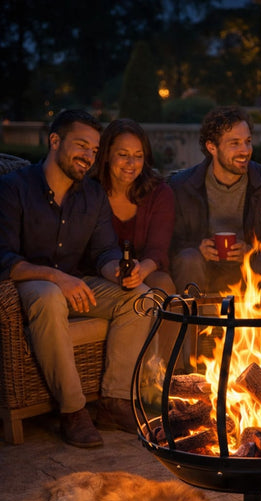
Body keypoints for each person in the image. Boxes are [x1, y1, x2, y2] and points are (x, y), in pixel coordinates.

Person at [0, 109, 152, 448]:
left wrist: (118, 271)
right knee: (49, 293)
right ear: (55, 141)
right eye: (81, 145)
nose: (88, 156)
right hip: (27, 284)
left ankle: (114, 402)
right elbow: (3, 258)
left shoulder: (92, 195)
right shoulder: (13, 188)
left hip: (72, 285)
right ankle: (73, 411)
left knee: (142, 296)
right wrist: (55, 277)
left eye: (94, 150)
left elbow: (104, 251)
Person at [169, 105, 261, 296]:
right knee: (188, 258)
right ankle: (192, 324)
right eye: (235, 144)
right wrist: (198, 247)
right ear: (212, 147)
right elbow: (172, 242)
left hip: (251, 268)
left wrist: (251, 250)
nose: (245, 150)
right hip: (204, 268)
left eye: (248, 142)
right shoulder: (182, 186)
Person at [91, 118, 175, 296]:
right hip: (98, 272)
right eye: (123, 155)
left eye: (138, 156)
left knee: (163, 284)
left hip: (145, 270)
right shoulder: (90, 192)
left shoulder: (159, 193)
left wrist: (139, 272)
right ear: (106, 155)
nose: (131, 163)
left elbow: (157, 250)